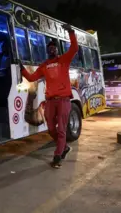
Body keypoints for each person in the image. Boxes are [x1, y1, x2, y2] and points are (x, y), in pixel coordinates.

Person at [19, 24, 78, 169]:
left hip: (64, 100)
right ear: (47, 51)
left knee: (62, 129)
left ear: (57, 50)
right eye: (49, 47)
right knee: (51, 128)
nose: (52, 49)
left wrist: (71, 32)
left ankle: (57, 157)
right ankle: (63, 146)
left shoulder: (64, 60)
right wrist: (21, 68)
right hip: (50, 101)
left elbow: (74, 48)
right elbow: (32, 78)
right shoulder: (44, 66)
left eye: (54, 47)